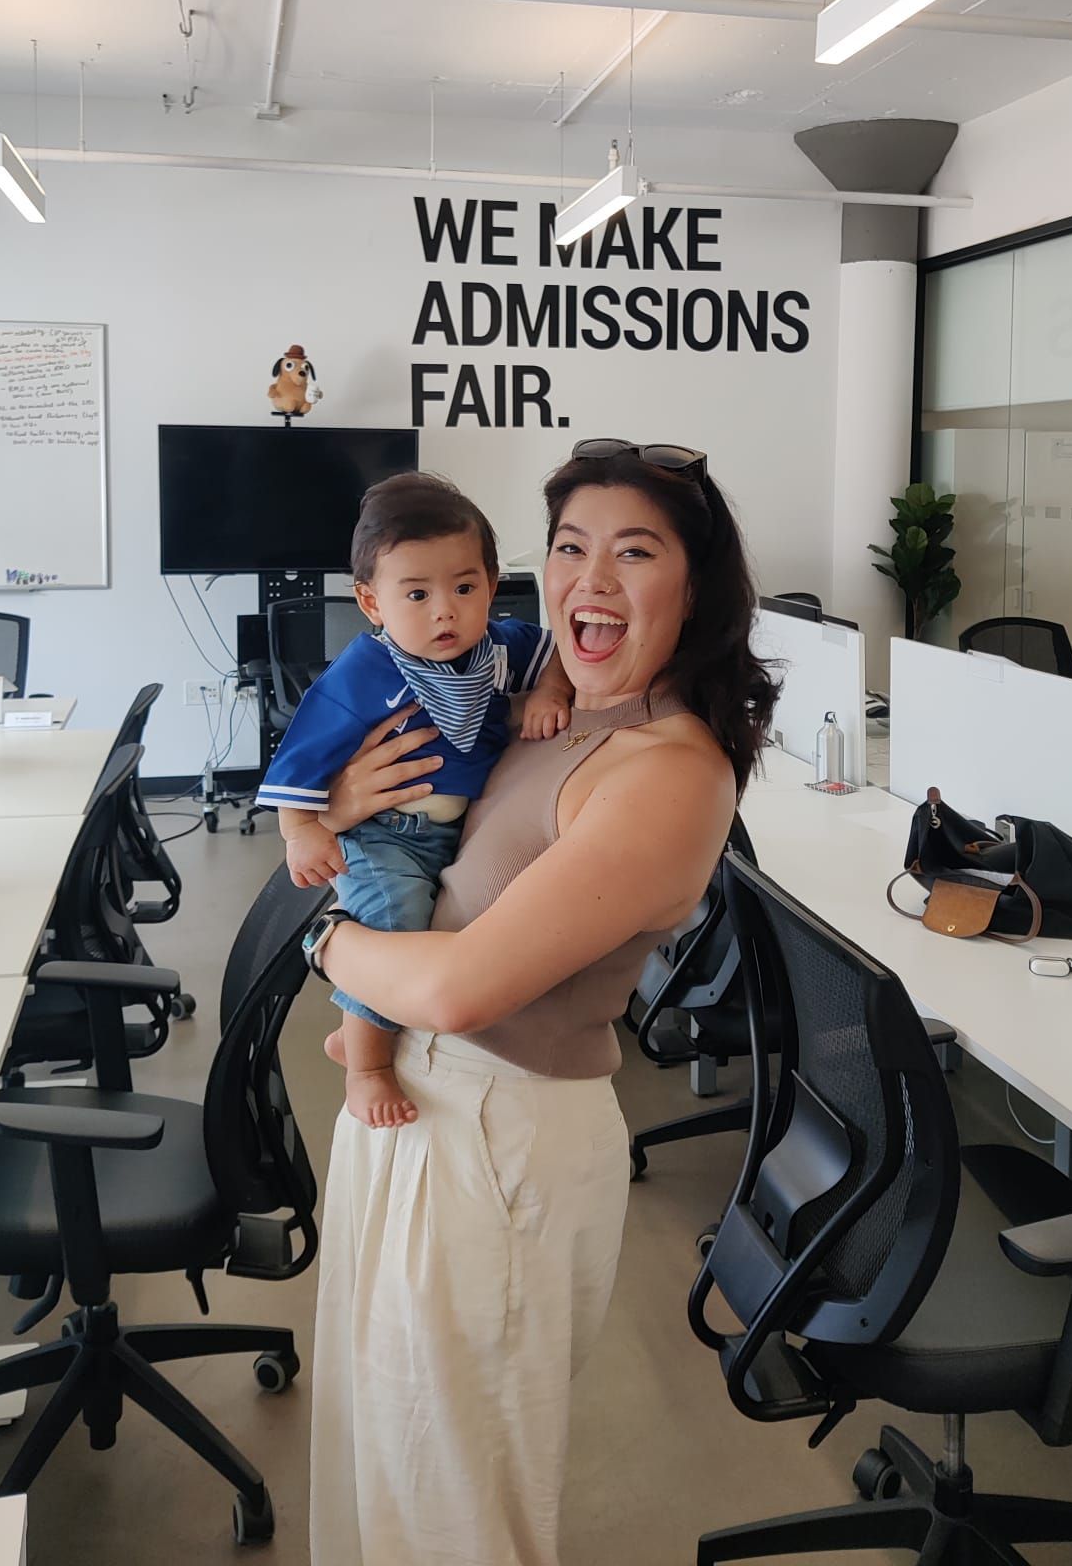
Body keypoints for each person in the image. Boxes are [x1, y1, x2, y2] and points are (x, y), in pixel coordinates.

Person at [298, 439, 778, 1566]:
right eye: (569, 547)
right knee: (389, 1465)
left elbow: (460, 986)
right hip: (416, 1108)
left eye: (635, 553)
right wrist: (341, 803)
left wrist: (317, 931)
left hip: (497, 1139)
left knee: (461, 1508)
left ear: (696, 589)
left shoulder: (669, 772)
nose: (590, 579)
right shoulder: (545, 708)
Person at [256, 472, 574, 1127]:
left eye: (465, 588)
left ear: (492, 584)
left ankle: (361, 1030)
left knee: (453, 930)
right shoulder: (365, 673)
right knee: (395, 923)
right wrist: (301, 831)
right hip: (383, 835)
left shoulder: (498, 650)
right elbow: (301, 758)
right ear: (371, 602)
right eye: (418, 594)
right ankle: (365, 1067)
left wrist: (548, 692)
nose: (444, 612)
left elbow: (555, 656)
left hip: (453, 834)